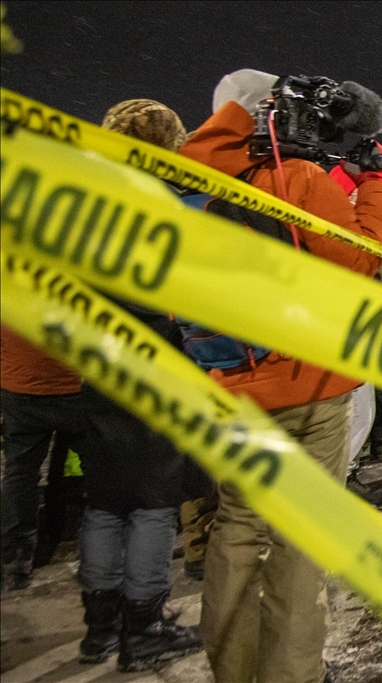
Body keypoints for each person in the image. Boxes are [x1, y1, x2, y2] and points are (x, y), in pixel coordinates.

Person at [178, 68, 382, 683]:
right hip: (306, 384)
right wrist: (378, 184)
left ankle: (235, 667)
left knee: (239, 530)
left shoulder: (180, 178)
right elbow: (359, 259)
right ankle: (292, 671)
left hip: (225, 382)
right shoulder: (291, 177)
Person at [70, 99, 205, 671]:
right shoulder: (163, 208)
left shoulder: (83, 202)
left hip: (96, 364)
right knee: (153, 502)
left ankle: (98, 627)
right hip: (153, 362)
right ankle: (142, 624)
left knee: (104, 501)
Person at [0, 328, 85, 592]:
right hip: (74, 387)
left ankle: (15, 561)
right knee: (98, 471)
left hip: (18, 384)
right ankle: (98, 555)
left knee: (20, 472)